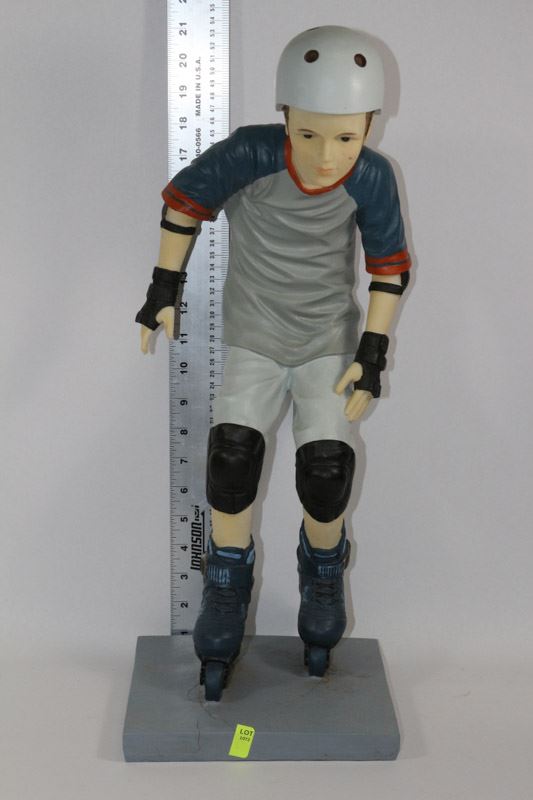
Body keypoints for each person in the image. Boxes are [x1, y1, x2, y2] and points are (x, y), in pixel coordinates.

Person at [136, 26, 411, 701]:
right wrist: (163, 288)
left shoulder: (372, 177)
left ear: (369, 126)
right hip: (255, 337)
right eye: (308, 134)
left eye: (345, 138)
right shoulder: (251, 153)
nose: (325, 156)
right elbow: (182, 204)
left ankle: (323, 573)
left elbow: (387, 269)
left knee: (327, 473)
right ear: (284, 115)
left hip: (326, 343)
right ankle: (225, 586)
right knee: (231, 463)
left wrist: (371, 353)